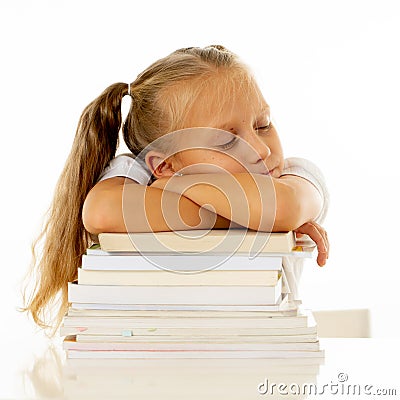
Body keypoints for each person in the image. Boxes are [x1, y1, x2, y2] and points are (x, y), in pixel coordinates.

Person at [23, 45, 329, 332]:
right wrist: (256, 219)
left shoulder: (295, 174)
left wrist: (179, 186)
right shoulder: (136, 171)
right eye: (226, 141)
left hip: (259, 350)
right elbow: (101, 211)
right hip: (155, 351)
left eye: (263, 125)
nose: (262, 150)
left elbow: (282, 207)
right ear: (165, 164)